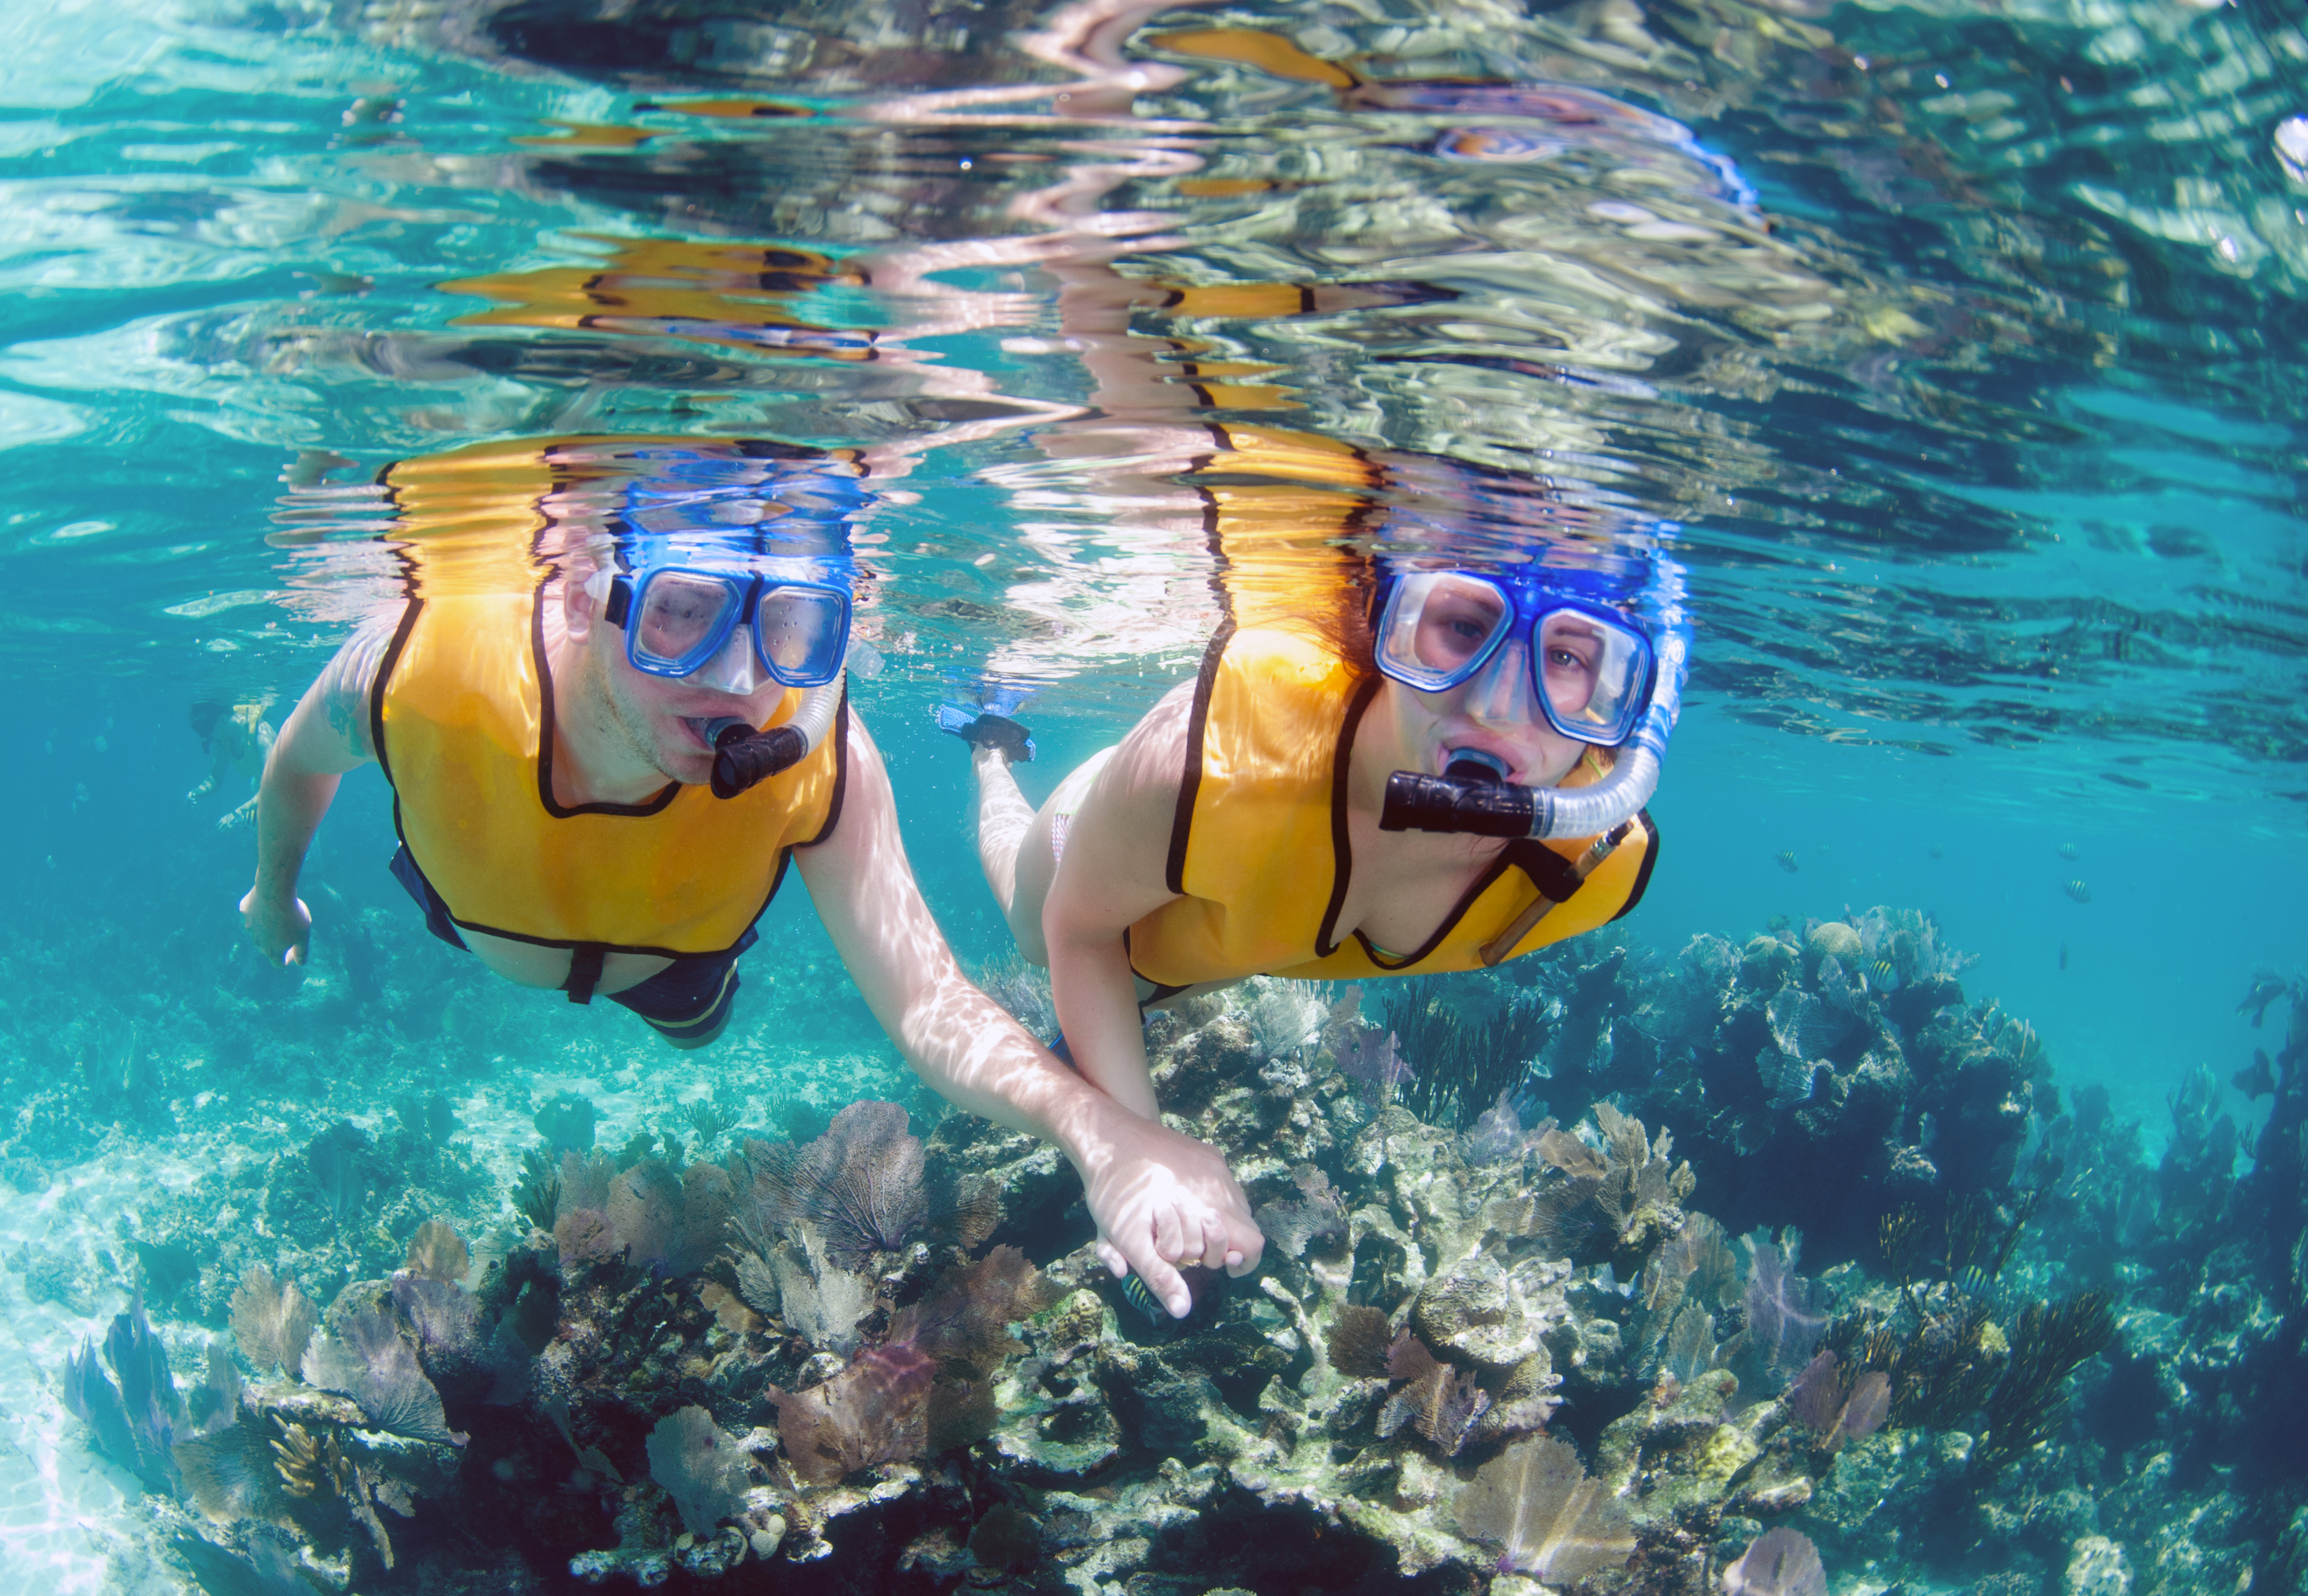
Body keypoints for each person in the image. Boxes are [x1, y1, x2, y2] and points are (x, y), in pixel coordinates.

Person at [238, 437, 1257, 1317]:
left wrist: (1110, 1137)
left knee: (697, 1020)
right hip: (469, 917)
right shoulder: (426, 662)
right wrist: (273, 888)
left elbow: (933, 1002)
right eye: (682, 611)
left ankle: (694, 1009)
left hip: (680, 967)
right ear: (591, 589)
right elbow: (298, 760)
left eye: (790, 628)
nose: (736, 683)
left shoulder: (825, 761)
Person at [952, 545, 1688, 1137]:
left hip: (1216, 916)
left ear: (1623, 700)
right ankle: (990, 744)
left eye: (1564, 658)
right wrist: (1134, 1147)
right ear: (1384, 624)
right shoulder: (1204, 770)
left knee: (1185, 964)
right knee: (1032, 928)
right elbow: (1078, 932)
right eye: (1464, 626)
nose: (1497, 705)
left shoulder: (1587, 869)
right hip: (1104, 826)